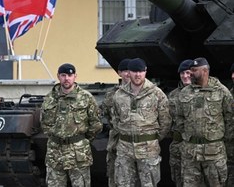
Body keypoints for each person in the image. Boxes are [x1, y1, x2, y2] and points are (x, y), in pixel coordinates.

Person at [112, 58, 171, 187]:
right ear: (129, 72)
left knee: (149, 184)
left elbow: (165, 122)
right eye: (134, 71)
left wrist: (151, 139)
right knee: (123, 184)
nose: (137, 75)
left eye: (140, 71)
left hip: (148, 149)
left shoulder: (156, 94)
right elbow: (115, 120)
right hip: (125, 149)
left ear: (145, 71)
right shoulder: (119, 94)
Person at [40, 63, 102, 187]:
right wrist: (56, 138)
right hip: (55, 153)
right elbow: (44, 123)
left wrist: (81, 140)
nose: (66, 78)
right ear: (58, 76)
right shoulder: (49, 98)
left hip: (78, 152)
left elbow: (96, 124)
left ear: (75, 76)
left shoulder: (86, 98)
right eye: (63, 75)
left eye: (70, 75)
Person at [176, 57, 234, 187]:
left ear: (205, 71)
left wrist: (221, 142)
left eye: (194, 70)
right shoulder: (185, 92)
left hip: (214, 153)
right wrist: (186, 137)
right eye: (190, 70)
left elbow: (229, 120)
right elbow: (179, 118)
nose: (190, 73)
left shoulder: (221, 92)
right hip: (190, 154)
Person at [100, 58, 130, 187]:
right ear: (119, 73)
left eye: (132, 71)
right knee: (114, 176)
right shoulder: (111, 95)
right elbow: (107, 115)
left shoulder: (147, 94)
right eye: (125, 71)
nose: (129, 74)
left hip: (138, 145)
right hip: (115, 142)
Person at [167, 59, 192, 187]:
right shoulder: (173, 96)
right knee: (179, 181)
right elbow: (165, 120)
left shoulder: (205, 92)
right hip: (177, 147)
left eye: (188, 72)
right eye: (182, 73)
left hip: (197, 148)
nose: (185, 76)